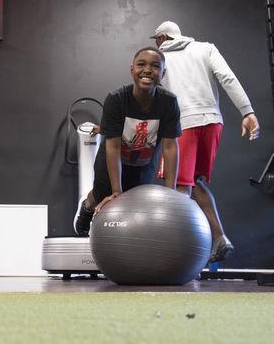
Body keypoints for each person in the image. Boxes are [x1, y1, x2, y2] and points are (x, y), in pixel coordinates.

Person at [152, 21, 260, 262]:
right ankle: (219, 237)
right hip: (213, 122)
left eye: (156, 39)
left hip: (183, 124)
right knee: (194, 182)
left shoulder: (158, 57)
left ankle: (180, 255)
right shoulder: (205, 48)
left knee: (180, 187)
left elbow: (152, 95)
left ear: (162, 37)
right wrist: (247, 111)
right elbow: (228, 78)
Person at [74, 46, 181, 236]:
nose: (147, 70)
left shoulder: (168, 102)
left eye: (155, 66)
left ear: (163, 73)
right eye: (141, 64)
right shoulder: (116, 99)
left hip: (144, 163)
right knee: (104, 195)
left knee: (135, 202)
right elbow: (113, 146)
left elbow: (170, 147)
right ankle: (87, 206)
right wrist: (116, 191)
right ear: (132, 69)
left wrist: (170, 193)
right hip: (113, 158)